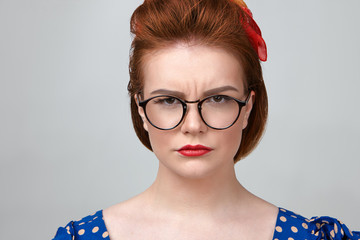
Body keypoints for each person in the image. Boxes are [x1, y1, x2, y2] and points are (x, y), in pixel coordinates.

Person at [52, 0, 359, 239]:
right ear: (142, 110)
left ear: (248, 108)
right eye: (169, 100)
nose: (193, 125)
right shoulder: (81, 237)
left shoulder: (312, 238)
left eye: (217, 98)